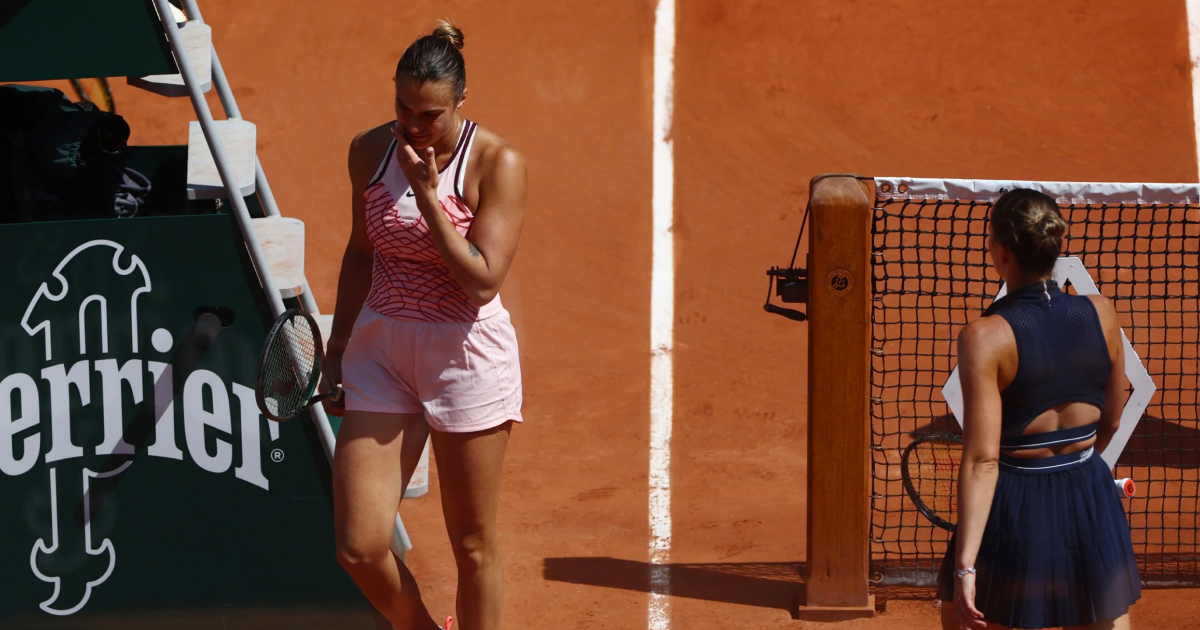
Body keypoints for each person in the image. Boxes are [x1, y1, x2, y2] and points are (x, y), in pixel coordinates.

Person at [323, 21, 527, 630]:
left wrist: (430, 198)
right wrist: (337, 348)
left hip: (465, 356)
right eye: (402, 107)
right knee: (359, 546)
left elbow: (482, 280)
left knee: (472, 545)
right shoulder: (369, 151)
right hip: (382, 349)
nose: (413, 125)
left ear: (462, 102)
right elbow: (363, 252)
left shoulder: (497, 162)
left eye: (430, 114)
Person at [939, 189, 1141, 630]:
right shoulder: (1103, 312)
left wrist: (964, 567)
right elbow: (1110, 419)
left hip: (1015, 504)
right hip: (1089, 492)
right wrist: (1077, 465)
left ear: (1002, 252)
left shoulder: (984, 337)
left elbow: (983, 460)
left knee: (961, 619)